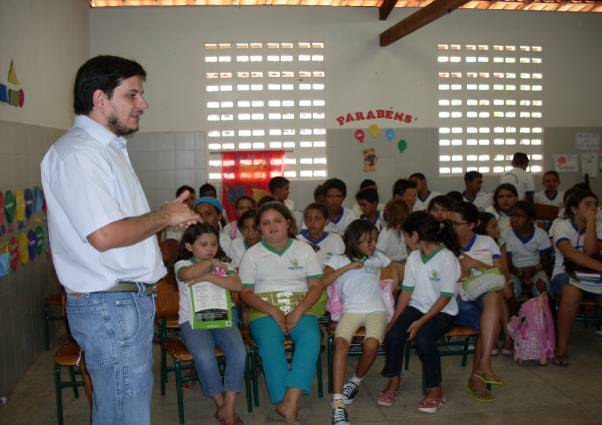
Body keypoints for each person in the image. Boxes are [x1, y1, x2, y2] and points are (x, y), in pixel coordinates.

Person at [41, 55, 199, 425]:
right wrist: (164, 217)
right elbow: (105, 235)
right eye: (132, 95)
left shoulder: (105, 150)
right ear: (99, 98)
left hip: (123, 303)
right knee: (123, 416)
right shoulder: (79, 154)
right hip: (109, 306)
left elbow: (118, 227)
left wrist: (160, 216)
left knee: (126, 411)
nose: (143, 104)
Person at [239, 202, 324, 423]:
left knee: (311, 338)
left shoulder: (304, 250)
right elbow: (246, 293)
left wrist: (298, 311)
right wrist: (272, 310)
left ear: (288, 222)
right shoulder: (252, 255)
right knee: (269, 343)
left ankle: (290, 402)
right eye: (265, 223)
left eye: (277, 220)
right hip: (264, 308)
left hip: (301, 305)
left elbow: (316, 286)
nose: (272, 226)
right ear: (259, 229)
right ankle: (282, 401)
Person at [379, 212, 461, 413]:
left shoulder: (447, 258)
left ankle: (435, 389)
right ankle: (394, 380)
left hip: (443, 312)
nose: (405, 241)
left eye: (405, 236)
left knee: (424, 338)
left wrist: (421, 322)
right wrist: (395, 319)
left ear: (415, 236)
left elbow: (444, 297)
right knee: (394, 333)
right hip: (418, 307)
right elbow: (406, 292)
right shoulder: (415, 257)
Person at [175, 223, 246, 425]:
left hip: (223, 317)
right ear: (189, 247)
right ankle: (220, 404)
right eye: (203, 244)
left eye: (213, 244)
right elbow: (187, 275)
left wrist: (208, 276)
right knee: (205, 356)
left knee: (238, 352)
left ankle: (229, 408)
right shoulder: (183, 263)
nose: (209, 249)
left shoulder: (224, 263)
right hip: (193, 321)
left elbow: (237, 285)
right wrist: (210, 264)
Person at [323, 220, 393, 425]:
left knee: (372, 344)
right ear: (354, 240)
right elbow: (324, 281)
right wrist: (348, 267)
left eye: (374, 240)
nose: (373, 245)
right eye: (368, 241)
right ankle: (337, 405)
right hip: (351, 311)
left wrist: (393, 277)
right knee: (340, 344)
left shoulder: (378, 257)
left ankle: (355, 381)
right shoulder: (338, 259)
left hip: (376, 310)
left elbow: (394, 269)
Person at [450, 202, 503, 403]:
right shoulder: (446, 242)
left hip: (479, 294)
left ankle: (483, 365)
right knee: (489, 320)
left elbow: (502, 273)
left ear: (473, 224)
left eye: (458, 223)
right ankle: (481, 371)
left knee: (493, 297)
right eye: (451, 223)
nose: (453, 227)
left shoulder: (487, 242)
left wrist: (475, 264)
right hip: (455, 301)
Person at [549, 190, 602, 366]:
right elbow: (570, 254)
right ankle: (561, 349)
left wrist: (592, 222)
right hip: (564, 274)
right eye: (588, 205)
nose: (593, 209)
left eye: (595, 205)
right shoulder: (561, 225)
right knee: (571, 293)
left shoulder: (598, 225)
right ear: (574, 209)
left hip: (593, 276)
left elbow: (591, 251)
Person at [476, 212, 514, 355]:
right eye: (493, 227)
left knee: (498, 291)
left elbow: (504, 270)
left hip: (499, 279)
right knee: (496, 293)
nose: (497, 229)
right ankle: (506, 336)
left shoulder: (500, 242)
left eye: (496, 225)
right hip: (482, 282)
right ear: (482, 230)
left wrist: (505, 283)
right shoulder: (477, 244)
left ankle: (500, 338)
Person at [503, 201, 552, 301]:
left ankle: (542, 315)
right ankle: (513, 315)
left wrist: (533, 271)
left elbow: (545, 261)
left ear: (531, 220)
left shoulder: (541, 234)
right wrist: (520, 274)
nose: (514, 219)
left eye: (520, 216)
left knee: (541, 286)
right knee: (510, 289)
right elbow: (507, 263)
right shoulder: (506, 235)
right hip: (514, 271)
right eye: (512, 215)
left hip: (536, 269)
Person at [297, 202, 345, 267]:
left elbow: (340, 264)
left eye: (317, 218)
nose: (312, 222)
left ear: (326, 222)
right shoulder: (297, 240)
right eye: (308, 218)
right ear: (304, 221)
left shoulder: (336, 239)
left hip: (330, 275)